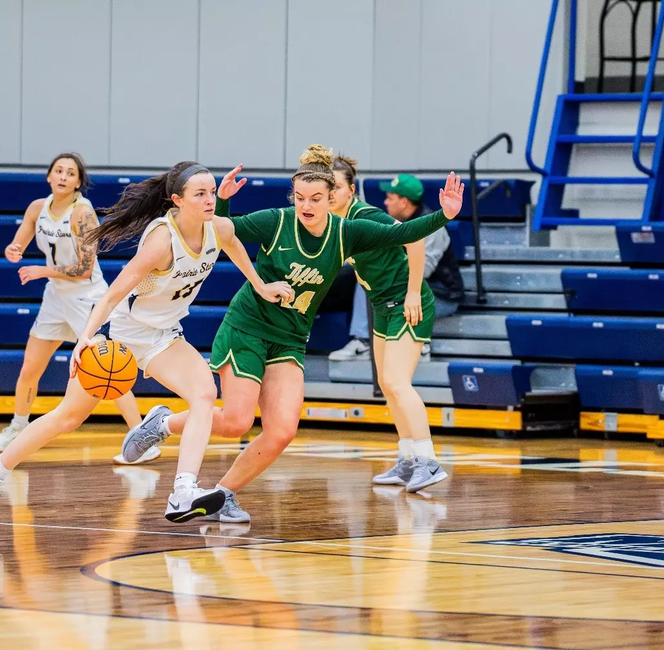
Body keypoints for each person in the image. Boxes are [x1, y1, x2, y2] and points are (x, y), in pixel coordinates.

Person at [120, 145, 464, 523]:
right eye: (300, 198)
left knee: (282, 431)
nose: (306, 205)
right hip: (249, 328)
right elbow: (226, 233)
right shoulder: (276, 221)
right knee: (236, 422)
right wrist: (222, 204)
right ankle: (163, 423)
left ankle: (224, 494)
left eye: (316, 198)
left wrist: (444, 215)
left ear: (332, 197)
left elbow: (410, 232)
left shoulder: (348, 231)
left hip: (290, 337)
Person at [0, 162, 293, 525]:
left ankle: (183, 491)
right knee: (69, 416)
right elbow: (110, 296)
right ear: (177, 200)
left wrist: (261, 286)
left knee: (203, 394)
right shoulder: (161, 243)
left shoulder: (218, 228)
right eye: (199, 194)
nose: (209, 200)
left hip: (163, 336)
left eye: (211, 192)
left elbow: (234, 246)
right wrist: (85, 339)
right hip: (120, 336)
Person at [0, 153, 144, 457]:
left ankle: (140, 438)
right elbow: (20, 240)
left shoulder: (82, 214)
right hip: (56, 297)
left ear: (78, 182)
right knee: (30, 367)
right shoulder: (37, 208)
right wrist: (14, 249)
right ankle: (18, 427)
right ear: (48, 176)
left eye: (70, 173)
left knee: (108, 370)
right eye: (58, 171)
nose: (62, 176)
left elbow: (84, 269)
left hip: (87, 297)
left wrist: (42, 270)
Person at [328, 155, 449, 492]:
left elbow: (415, 239)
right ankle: (407, 460)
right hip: (382, 306)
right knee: (386, 383)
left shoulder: (367, 216)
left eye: (336, 187)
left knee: (397, 381)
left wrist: (413, 293)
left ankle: (429, 461)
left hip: (408, 304)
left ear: (351, 190)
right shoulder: (331, 223)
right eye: (327, 187)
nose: (331, 193)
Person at [330, 173, 464, 362]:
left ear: (405, 201)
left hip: (441, 294)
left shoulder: (433, 227)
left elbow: (421, 272)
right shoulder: (393, 224)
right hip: (406, 290)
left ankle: (365, 341)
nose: (385, 203)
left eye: (390, 198)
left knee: (373, 280)